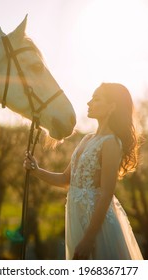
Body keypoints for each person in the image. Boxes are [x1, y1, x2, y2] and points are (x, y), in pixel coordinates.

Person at [23, 82, 143, 260]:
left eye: (96, 99)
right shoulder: (87, 139)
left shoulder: (111, 143)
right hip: (76, 219)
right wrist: (37, 170)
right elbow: (66, 179)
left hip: (97, 228)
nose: (89, 103)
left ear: (111, 107)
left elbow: (106, 194)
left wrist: (88, 239)